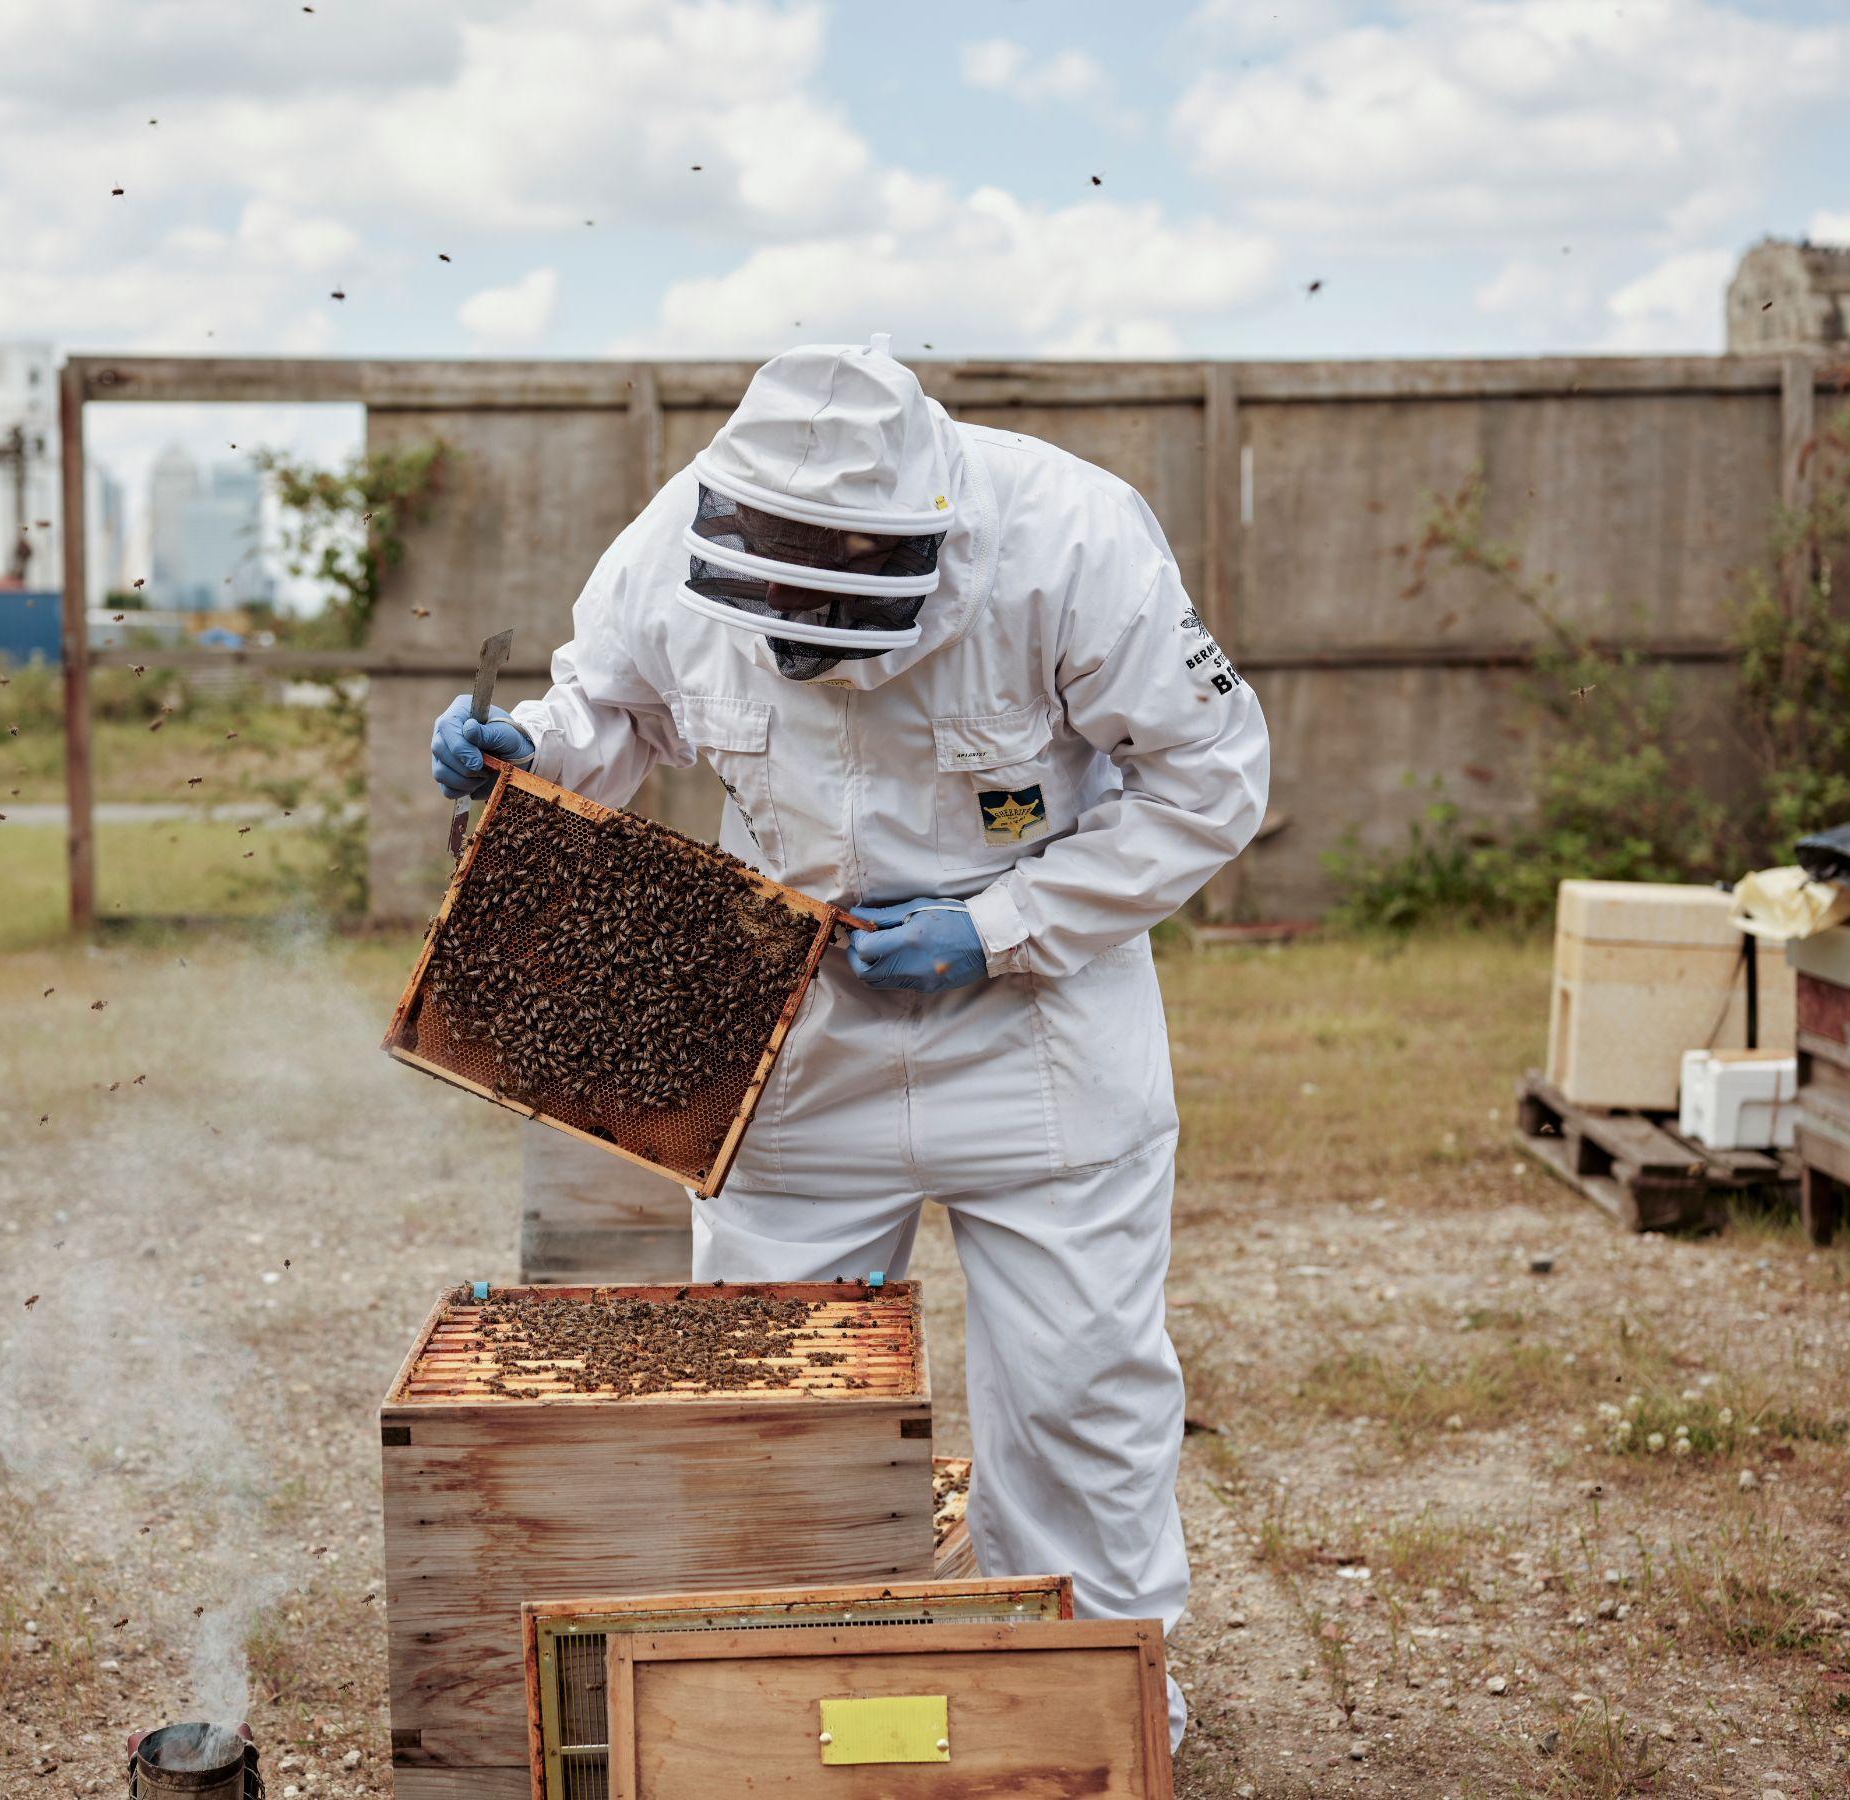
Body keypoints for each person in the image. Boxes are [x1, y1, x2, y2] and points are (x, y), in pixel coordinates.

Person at [429, 334, 1268, 1752]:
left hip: (1038, 1031)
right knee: (779, 1396)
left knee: (1078, 1389)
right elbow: (614, 713)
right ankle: (791, 1705)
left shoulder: (1070, 535)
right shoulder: (676, 538)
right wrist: (533, 748)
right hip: (794, 1036)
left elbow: (1211, 780)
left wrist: (1000, 925)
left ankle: (1106, 1692)